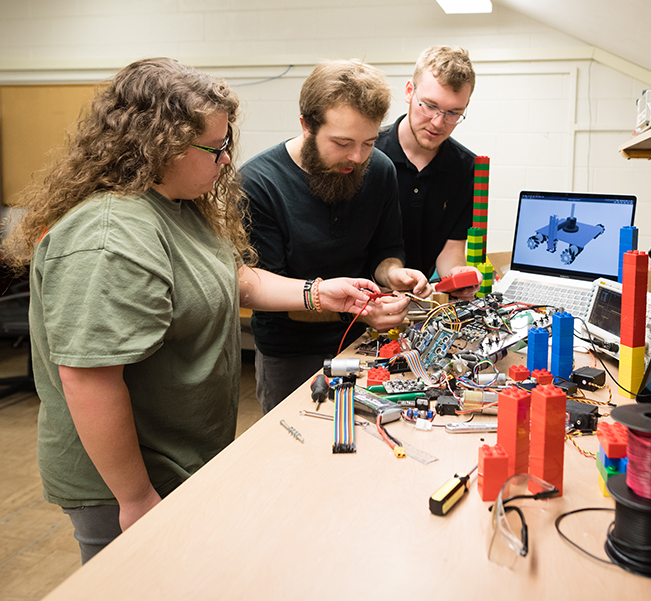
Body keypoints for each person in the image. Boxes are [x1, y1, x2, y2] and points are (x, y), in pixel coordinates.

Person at [0, 57, 381, 563]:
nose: (227, 159)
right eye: (216, 147)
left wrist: (317, 292)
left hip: (179, 462)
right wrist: (135, 499)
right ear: (163, 145)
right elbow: (88, 378)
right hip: (127, 483)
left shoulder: (176, 204)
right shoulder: (111, 237)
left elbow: (229, 278)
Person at [239, 59, 431, 414]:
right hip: (290, 353)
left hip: (361, 343)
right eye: (342, 142)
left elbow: (386, 251)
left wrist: (394, 275)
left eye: (369, 143)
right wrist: (360, 312)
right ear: (307, 125)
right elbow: (264, 292)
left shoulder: (380, 171)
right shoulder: (258, 183)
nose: (357, 157)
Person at [376, 45, 481, 300]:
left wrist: (458, 276)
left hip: (417, 304)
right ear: (409, 92)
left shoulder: (467, 168)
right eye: (430, 106)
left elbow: (451, 250)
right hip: (359, 303)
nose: (437, 122)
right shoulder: (366, 154)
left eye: (453, 113)